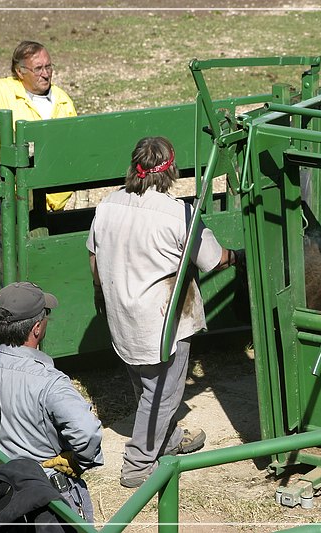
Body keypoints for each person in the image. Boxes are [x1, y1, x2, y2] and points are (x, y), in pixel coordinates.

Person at [86, 136, 241, 488]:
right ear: (171, 170)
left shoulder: (108, 205)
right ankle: (138, 466)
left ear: (133, 166)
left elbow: (94, 258)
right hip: (162, 321)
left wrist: (102, 292)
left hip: (121, 315)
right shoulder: (178, 214)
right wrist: (236, 256)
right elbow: (213, 259)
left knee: (146, 388)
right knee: (162, 394)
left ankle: (168, 439)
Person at [0, 281, 104, 521]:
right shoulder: (50, 382)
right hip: (46, 498)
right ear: (37, 328)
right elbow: (88, 433)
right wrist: (78, 458)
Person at [0, 41, 78, 211]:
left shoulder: (62, 100)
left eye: (48, 67)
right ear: (20, 71)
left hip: (55, 197)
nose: (45, 74)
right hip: (16, 197)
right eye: (38, 69)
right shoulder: (1, 91)